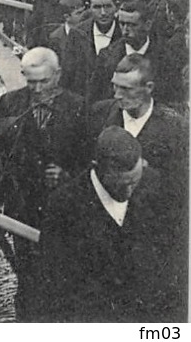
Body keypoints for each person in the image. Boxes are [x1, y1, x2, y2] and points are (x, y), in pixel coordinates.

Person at [0, 47, 88, 321]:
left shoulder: (78, 107)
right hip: (23, 208)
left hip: (64, 211)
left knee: (62, 276)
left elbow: (89, 162)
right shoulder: (9, 104)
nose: (39, 89)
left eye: (45, 81)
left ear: (59, 75)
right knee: (27, 278)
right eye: (31, 81)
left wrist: (68, 175)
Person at [39, 128, 183, 321]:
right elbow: (56, 285)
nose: (130, 191)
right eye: (123, 185)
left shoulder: (155, 186)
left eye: (135, 181)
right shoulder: (64, 206)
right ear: (97, 168)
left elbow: (172, 262)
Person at [89, 53, 188, 189]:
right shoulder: (99, 113)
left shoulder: (176, 127)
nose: (117, 95)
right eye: (115, 86)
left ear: (149, 87)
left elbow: (180, 185)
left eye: (126, 89)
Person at [88, 0, 159, 104]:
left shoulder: (165, 56)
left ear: (147, 25)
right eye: (122, 24)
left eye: (132, 25)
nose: (125, 30)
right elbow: (95, 100)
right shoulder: (106, 56)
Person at [58, 0, 121, 98]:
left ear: (116, 6)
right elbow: (67, 75)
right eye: (97, 7)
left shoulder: (123, 32)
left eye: (107, 6)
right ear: (89, 8)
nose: (103, 13)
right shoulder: (77, 34)